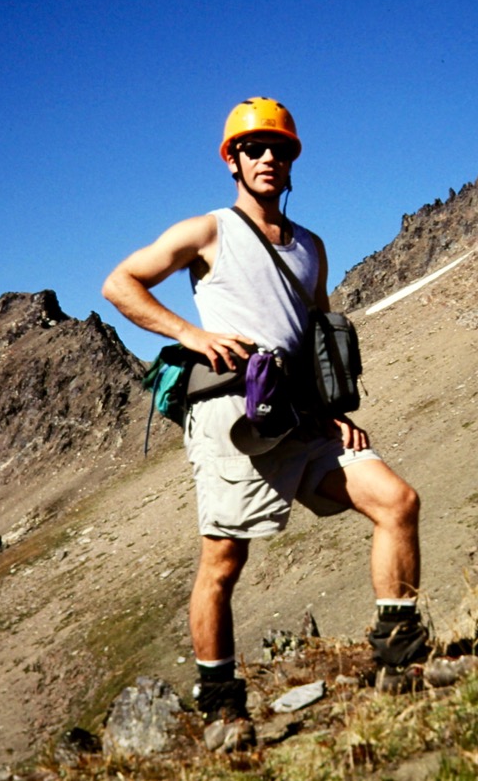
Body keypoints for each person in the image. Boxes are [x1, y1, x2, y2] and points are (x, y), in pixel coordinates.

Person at [103, 97, 439, 751]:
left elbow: (315, 333)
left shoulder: (312, 246)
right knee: (223, 562)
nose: (268, 158)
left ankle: (400, 666)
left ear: (291, 163)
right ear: (232, 160)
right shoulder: (207, 232)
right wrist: (191, 335)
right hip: (233, 413)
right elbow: (121, 284)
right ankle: (223, 708)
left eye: (279, 149)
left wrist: (334, 414)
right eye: (254, 149)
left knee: (397, 501)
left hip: (301, 413)